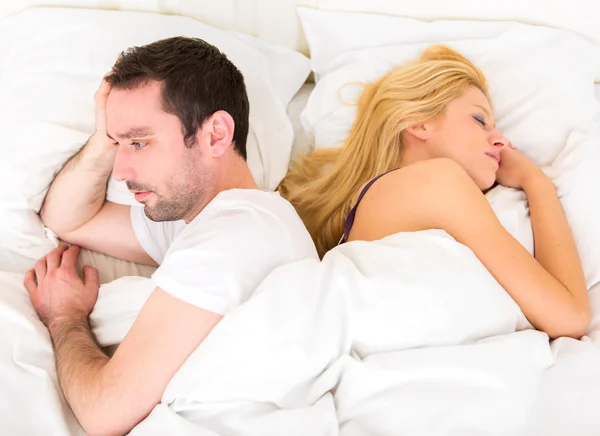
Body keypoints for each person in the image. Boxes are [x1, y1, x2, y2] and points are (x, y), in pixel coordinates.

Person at [23, 36, 317, 435]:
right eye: (119, 144)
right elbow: (69, 220)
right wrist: (103, 139)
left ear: (215, 135)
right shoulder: (202, 220)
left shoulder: (238, 236)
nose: (121, 170)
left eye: (139, 142)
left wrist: (64, 318)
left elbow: (104, 412)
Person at [279, 45, 590, 340]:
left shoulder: (385, 200)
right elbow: (569, 317)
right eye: (479, 120)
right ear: (418, 123)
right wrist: (535, 181)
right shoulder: (440, 182)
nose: (502, 141)